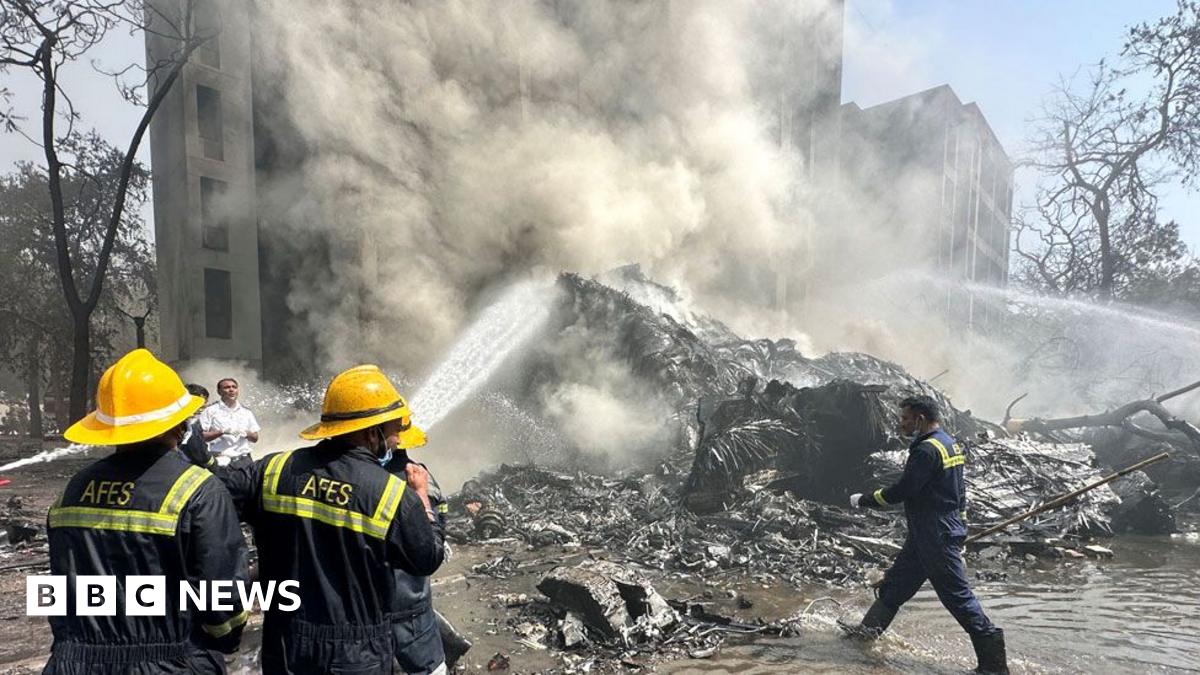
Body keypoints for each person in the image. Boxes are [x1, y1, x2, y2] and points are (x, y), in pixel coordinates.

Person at [194, 364, 444, 674]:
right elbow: (427, 557)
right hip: (356, 651)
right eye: (394, 428)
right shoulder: (390, 494)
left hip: (285, 643)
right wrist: (422, 499)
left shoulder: (272, 469)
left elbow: (206, 501)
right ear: (371, 432)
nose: (396, 439)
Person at [45, 349, 250, 674]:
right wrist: (223, 640)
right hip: (168, 661)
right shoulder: (198, 489)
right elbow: (222, 608)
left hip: (74, 662)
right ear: (180, 424)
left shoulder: (73, 488)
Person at [843, 395, 1008, 674]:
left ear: (920, 419)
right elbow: (960, 493)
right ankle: (865, 635)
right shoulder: (948, 443)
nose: (902, 424)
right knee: (895, 587)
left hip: (935, 536)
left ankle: (994, 667)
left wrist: (865, 500)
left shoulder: (926, 451)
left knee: (958, 598)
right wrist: (961, 529)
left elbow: (903, 490)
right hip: (930, 533)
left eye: (906, 418)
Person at [381, 423, 455, 675]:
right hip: (410, 595)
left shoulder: (369, 481)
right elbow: (434, 534)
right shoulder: (420, 479)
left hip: (376, 598)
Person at [200, 378, 260, 467]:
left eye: (234, 387)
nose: (231, 390)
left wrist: (246, 433)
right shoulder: (210, 411)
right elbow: (201, 436)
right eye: (227, 387)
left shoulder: (246, 412)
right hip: (221, 460)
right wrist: (222, 431)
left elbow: (255, 438)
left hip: (245, 460)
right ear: (219, 392)